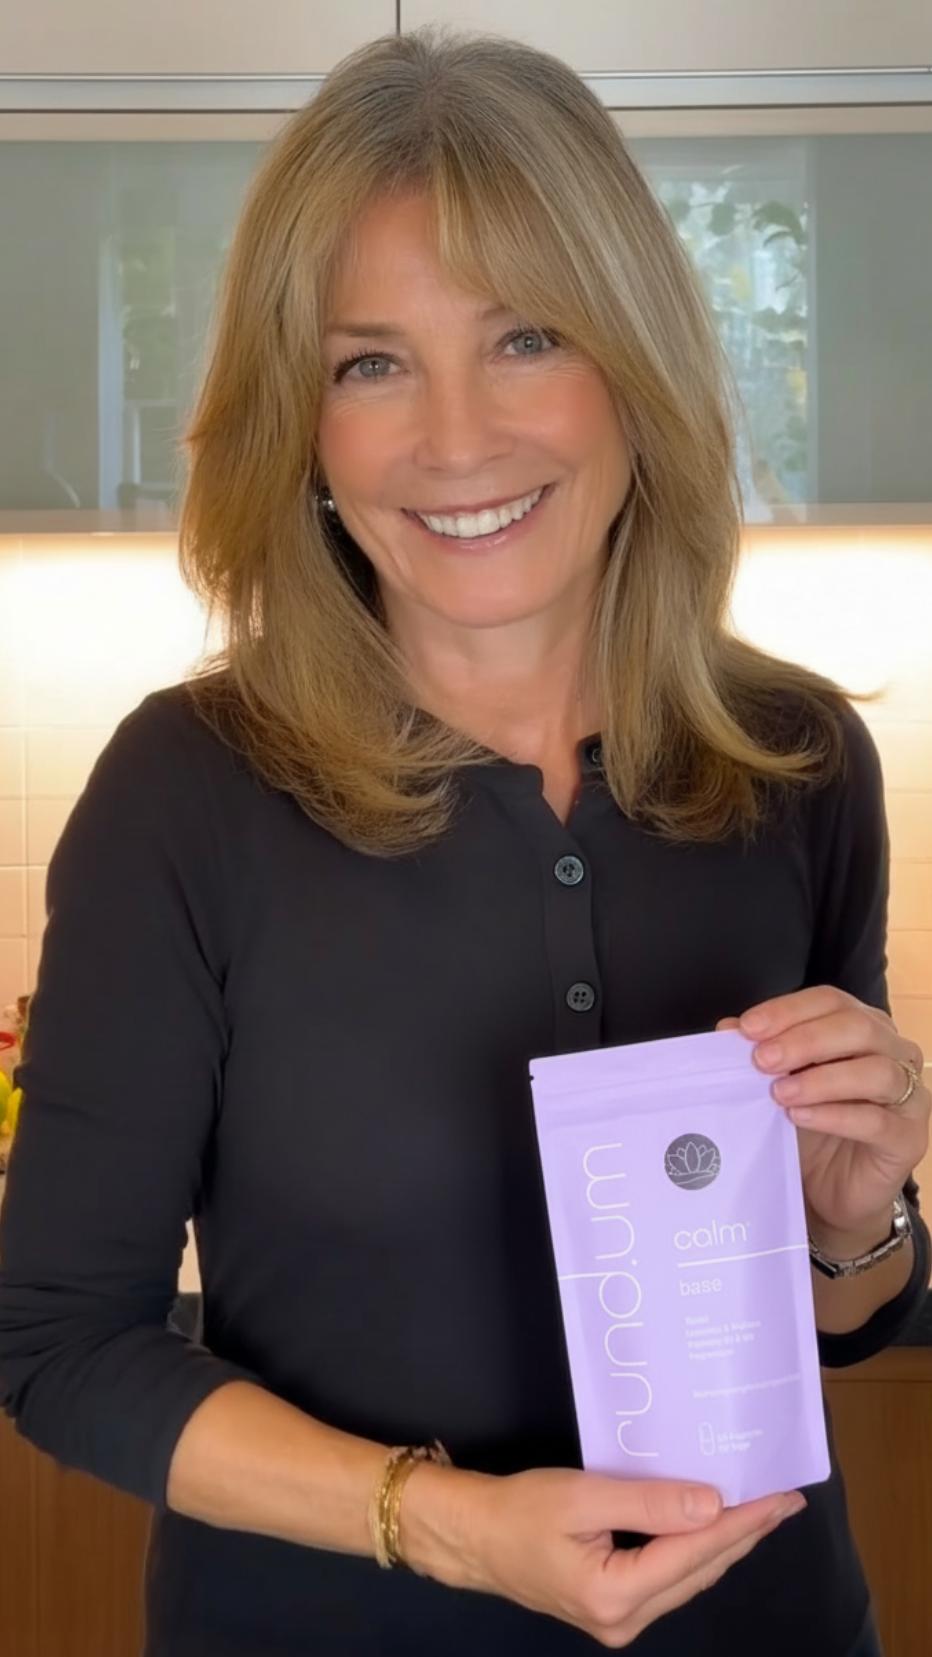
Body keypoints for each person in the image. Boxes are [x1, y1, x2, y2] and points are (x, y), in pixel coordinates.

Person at [0, 24, 929, 1657]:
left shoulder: (796, 763)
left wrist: (857, 1221)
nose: (455, 438)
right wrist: (446, 1524)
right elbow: (59, 1343)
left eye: (525, 337)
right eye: (370, 363)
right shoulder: (185, 793)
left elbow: (836, 1328)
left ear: (634, 365)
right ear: (303, 423)